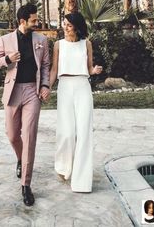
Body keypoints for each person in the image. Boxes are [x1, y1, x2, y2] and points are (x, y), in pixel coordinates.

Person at [0, 3, 50, 206]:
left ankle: (26, 185)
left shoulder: (42, 40)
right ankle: (21, 159)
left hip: (33, 91)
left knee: (29, 136)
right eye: (33, 20)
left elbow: (46, 65)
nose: (37, 22)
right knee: (13, 135)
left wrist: (46, 85)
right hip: (12, 93)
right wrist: (7, 59)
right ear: (22, 21)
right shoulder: (5, 40)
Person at [50, 12, 102, 192]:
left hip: (82, 87)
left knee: (84, 133)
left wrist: (94, 70)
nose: (65, 27)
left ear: (77, 28)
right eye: (64, 24)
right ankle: (63, 166)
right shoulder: (58, 45)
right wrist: (46, 88)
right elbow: (54, 70)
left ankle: (82, 181)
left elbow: (88, 67)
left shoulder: (86, 44)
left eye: (69, 25)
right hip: (64, 87)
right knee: (67, 133)